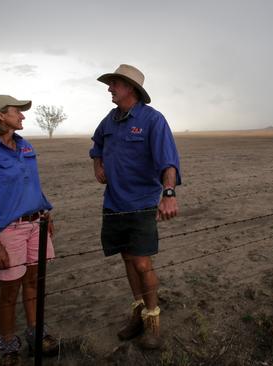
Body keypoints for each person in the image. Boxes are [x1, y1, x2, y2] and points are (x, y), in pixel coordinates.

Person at [89, 64, 181, 349]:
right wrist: (98, 164)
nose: (109, 89)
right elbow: (97, 144)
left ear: (130, 88)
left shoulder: (153, 120)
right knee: (128, 260)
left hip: (141, 202)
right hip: (114, 202)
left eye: (114, 84)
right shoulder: (110, 119)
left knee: (141, 262)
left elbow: (169, 161)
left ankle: (153, 322)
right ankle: (138, 314)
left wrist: (168, 193)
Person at [0, 95, 59, 365]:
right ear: (0, 116)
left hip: (36, 224)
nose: (22, 116)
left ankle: (35, 334)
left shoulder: (26, 147)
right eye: (16, 112)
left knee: (34, 282)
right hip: (8, 230)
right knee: (9, 292)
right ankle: (8, 345)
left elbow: (32, 184)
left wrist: (45, 210)